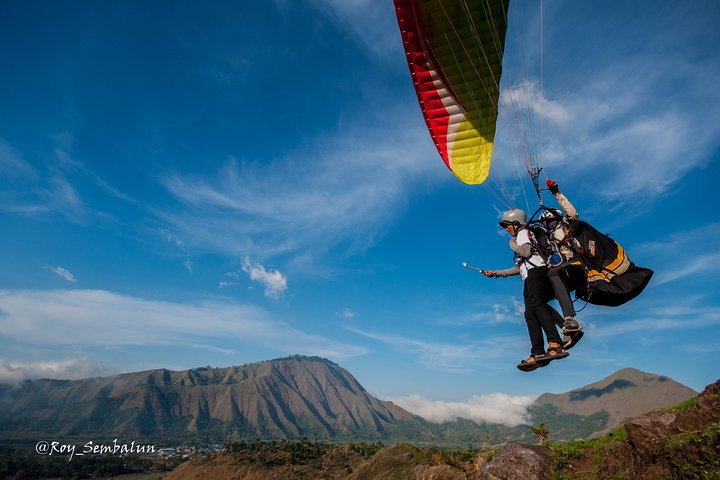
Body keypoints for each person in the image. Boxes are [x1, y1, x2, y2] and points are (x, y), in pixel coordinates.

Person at [482, 208, 569, 372]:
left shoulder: (522, 233)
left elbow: (526, 251)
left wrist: (512, 243)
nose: (506, 229)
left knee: (538, 307)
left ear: (516, 224)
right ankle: (538, 352)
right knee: (530, 314)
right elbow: (519, 267)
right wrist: (496, 273)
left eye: (507, 225)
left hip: (537, 274)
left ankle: (555, 344)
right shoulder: (521, 236)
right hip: (530, 276)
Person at [541, 179, 587, 344]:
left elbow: (572, 213)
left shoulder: (568, 227)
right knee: (538, 302)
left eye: (551, 221)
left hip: (577, 265)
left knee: (554, 272)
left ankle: (570, 318)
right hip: (563, 273)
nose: (549, 225)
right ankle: (567, 330)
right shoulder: (547, 241)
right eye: (546, 223)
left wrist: (556, 193)